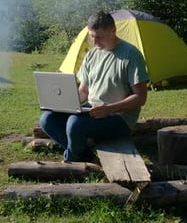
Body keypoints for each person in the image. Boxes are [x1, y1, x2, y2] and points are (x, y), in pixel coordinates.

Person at [39, 10, 150, 162]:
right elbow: (84, 91)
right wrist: (64, 104)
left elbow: (140, 97)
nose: (95, 42)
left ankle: (72, 159)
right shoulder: (92, 55)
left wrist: (109, 109)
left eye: (100, 37)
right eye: (92, 36)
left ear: (113, 31)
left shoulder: (131, 54)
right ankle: (84, 155)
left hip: (119, 118)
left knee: (75, 123)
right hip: (93, 110)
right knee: (48, 119)